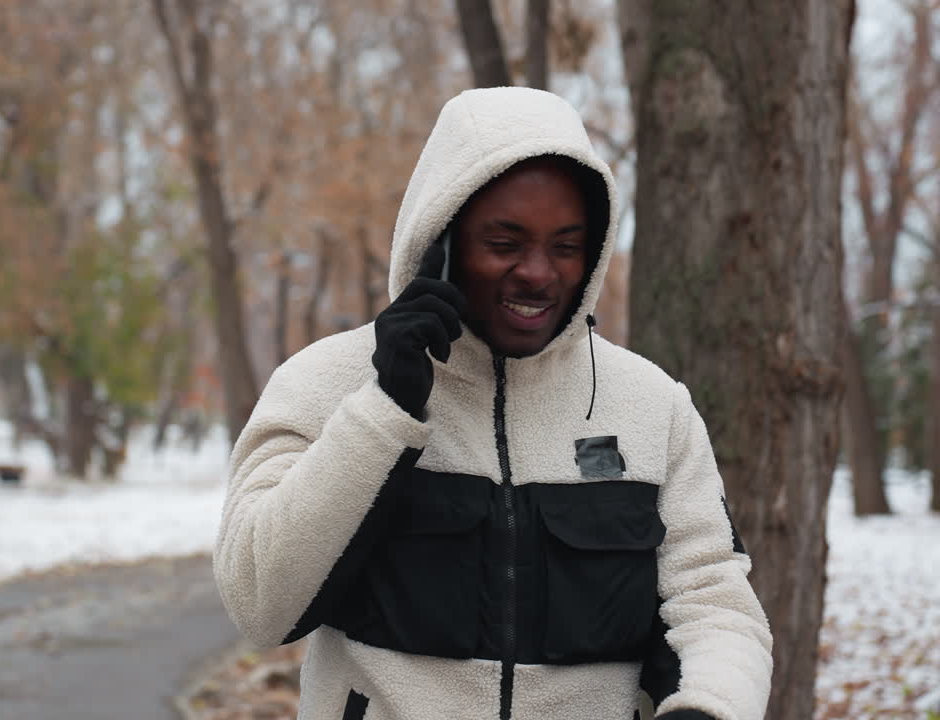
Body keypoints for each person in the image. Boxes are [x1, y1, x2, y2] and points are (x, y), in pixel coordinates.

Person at [214, 87, 772, 720]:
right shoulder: (322, 382)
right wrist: (382, 413)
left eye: (565, 246)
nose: (539, 273)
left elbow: (713, 603)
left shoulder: (653, 406)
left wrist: (710, 706)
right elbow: (258, 602)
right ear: (439, 243)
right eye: (505, 243)